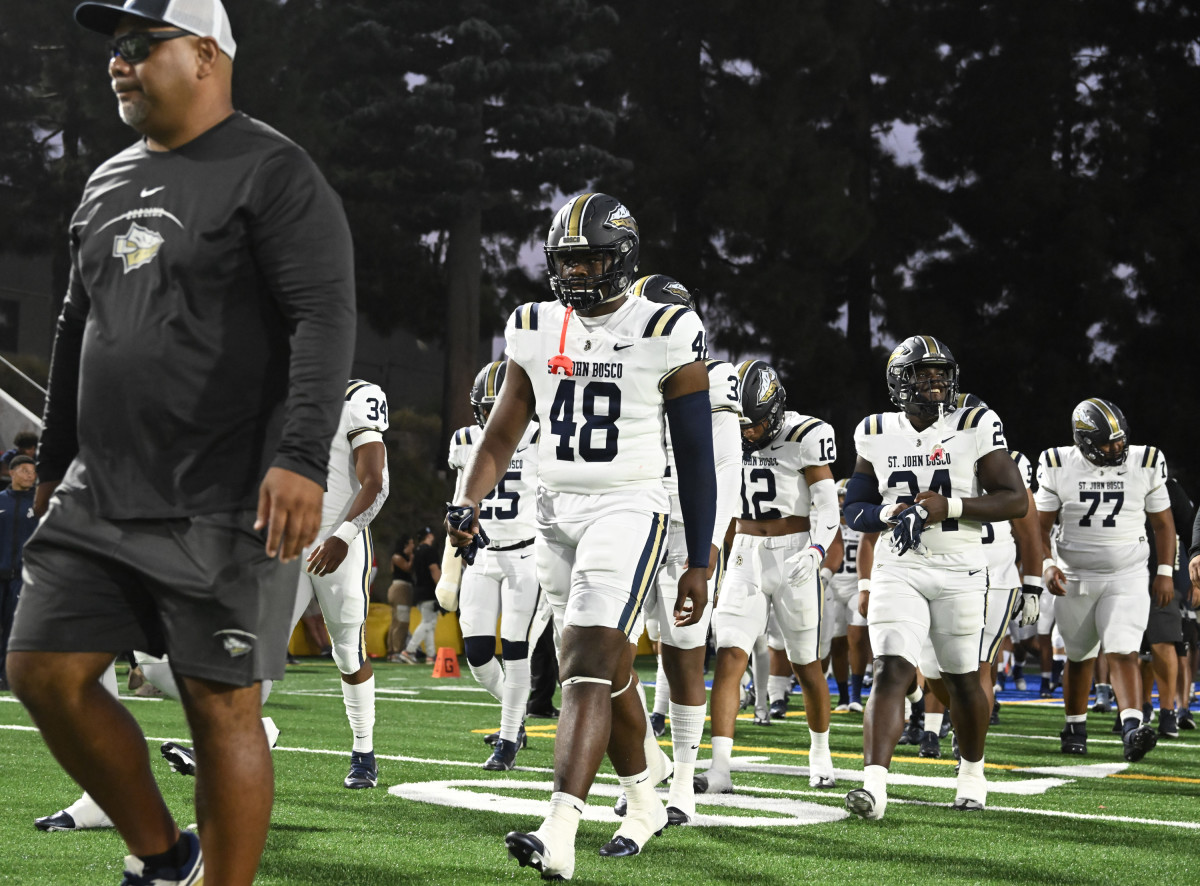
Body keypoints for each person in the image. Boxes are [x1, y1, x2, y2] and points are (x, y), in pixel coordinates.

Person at [4, 2, 356, 883]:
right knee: (41, 668)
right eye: (114, 51)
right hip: (103, 489)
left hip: (225, 489)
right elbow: (76, 324)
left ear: (205, 54)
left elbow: (322, 317)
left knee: (220, 704)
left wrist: (302, 457)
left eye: (138, 46)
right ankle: (166, 858)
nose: (119, 64)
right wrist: (52, 461)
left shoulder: (275, 171)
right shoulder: (106, 181)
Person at [447, 193, 716, 881]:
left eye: (593, 257)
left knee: (588, 662)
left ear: (624, 256)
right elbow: (502, 428)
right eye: (568, 259)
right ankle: (642, 793)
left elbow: (693, 454)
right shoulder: (535, 325)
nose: (579, 271)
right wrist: (467, 498)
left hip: (629, 506)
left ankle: (559, 826)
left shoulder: (666, 326)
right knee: (602, 669)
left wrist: (698, 556)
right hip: (552, 511)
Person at [842, 335, 1027, 819]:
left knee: (963, 678)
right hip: (899, 566)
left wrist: (953, 506)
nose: (937, 382)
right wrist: (888, 513)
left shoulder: (974, 423)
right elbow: (854, 507)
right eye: (924, 374)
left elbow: (1014, 499)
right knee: (891, 669)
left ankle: (971, 771)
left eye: (941, 372)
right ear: (899, 383)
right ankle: (874, 786)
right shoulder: (875, 431)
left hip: (961, 566)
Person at [619, 275, 742, 825]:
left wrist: (707, 548)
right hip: (629, 514)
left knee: (684, 653)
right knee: (613, 653)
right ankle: (645, 766)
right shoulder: (620, 364)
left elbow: (724, 472)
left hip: (685, 525)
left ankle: (685, 784)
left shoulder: (714, 379)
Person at [696, 359, 840, 795]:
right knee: (729, 657)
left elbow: (827, 503)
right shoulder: (726, 429)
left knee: (806, 665)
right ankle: (720, 767)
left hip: (795, 552)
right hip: (745, 552)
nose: (748, 432)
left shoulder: (806, 434)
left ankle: (821, 751)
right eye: (742, 423)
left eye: (755, 424)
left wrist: (817, 549)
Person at [1036, 398, 1173, 761]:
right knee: (1080, 657)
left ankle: (1131, 728)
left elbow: (1163, 524)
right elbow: (1038, 527)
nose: (1117, 448)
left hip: (1127, 573)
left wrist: (1164, 572)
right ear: (1083, 442)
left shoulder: (1145, 461)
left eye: (1119, 439)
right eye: (1107, 443)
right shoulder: (1057, 464)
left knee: (1123, 649)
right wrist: (1047, 564)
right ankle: (1074, 726)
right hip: (1074, 575)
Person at [439, 359, 549, 770]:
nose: (493, 416)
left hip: (526, 555)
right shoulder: (467, 440)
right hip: (483, 555)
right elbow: (460, 496)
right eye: (486, 408)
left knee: (517, 648)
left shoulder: (542, 437)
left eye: (498, 406)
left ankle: (506, 742)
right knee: (479, 655)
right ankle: (514, 718)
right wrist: (454, 525)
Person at [289, 379, 390, 788]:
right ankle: (238, 739)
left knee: (348, 653)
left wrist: (343, 536)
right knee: (257, 649)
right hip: (286, 540)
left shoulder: (356, 397)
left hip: (339, 541)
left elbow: (376, 482)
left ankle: (363, 752)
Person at [0, 455, 38, 691]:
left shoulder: (40, 504)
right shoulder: (0, 500)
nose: (29, 475)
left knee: (14, 629)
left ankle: (7, 676)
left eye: (32, 471)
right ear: (11, 472)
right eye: (24, 470)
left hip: (22, 577)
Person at [400, 528, 440, 663]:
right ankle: (409, 650)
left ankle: (431, 655)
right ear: (429, 535)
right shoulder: (429, 550)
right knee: (428, 622)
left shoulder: (416, 552)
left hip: (418, 591)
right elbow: (434, 570)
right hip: (429, 591)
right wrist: (441, 588)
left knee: (430, 624)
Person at [386, 535, 415, 661]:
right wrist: (413, 558)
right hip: (400, 589)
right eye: (411, 543)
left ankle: (392, 651)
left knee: (397, 621)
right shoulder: (397, 556)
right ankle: (396, 651)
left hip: (403, 589)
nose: (413, 546)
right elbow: (407, 568)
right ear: (404, 545)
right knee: (401, 621)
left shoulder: (402, 556)